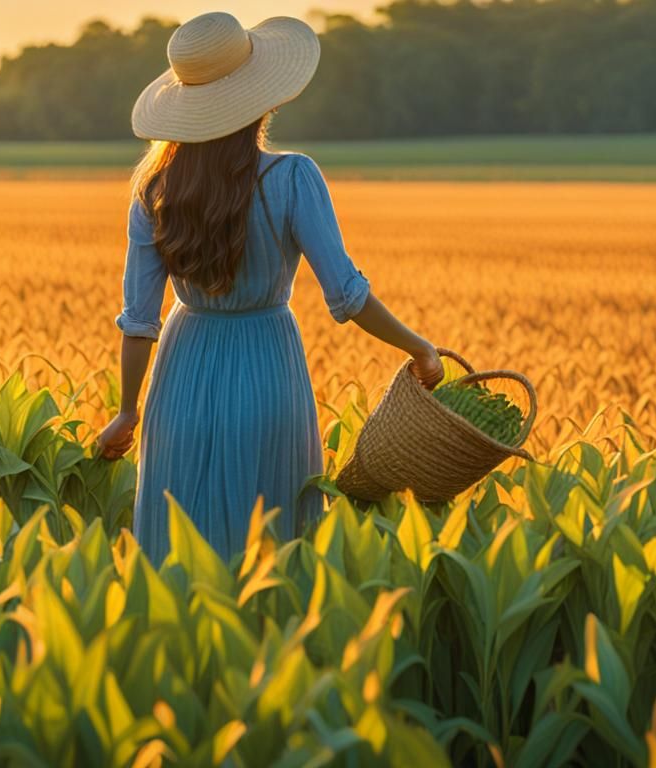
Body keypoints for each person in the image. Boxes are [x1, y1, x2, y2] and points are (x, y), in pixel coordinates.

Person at [96, 11, 443, 563]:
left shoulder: (154, 190)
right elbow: (347, 295)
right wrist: (418, 348)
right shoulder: (292, 177)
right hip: (268, 370)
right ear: (264, 98)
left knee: (178, 547)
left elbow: (139, 320)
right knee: (272, 549)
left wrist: (129, 411)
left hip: (180, 377)